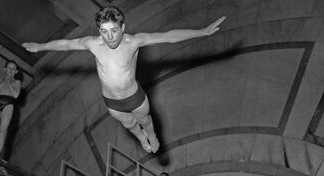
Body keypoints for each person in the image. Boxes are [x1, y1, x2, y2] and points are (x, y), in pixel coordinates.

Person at [22, 6, 225, 153]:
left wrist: (203, 31)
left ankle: (152, 137)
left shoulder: (133, 41)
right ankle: (142, 140)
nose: (109, 37)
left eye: (114, 30)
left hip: (134, 97)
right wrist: (40, 46)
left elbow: (169, 36)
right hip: (112, 102)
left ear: (123, 27)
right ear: (98, 30)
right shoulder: (93, 44)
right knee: (129, 125)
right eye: (104, 31)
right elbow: (65, 45)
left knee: (144, 120)